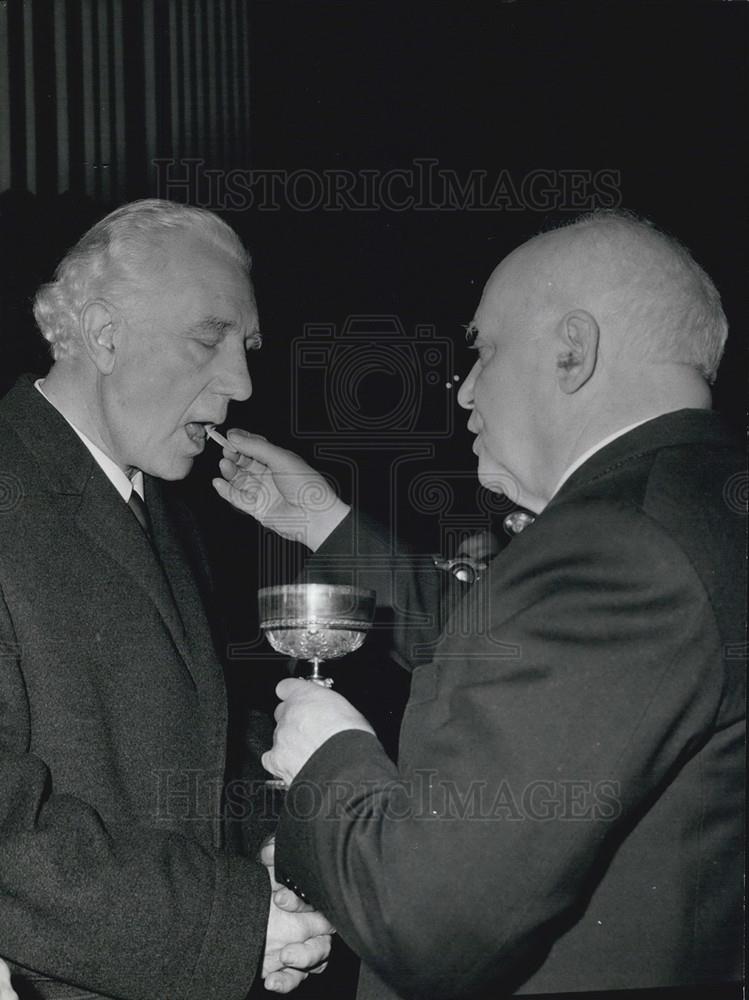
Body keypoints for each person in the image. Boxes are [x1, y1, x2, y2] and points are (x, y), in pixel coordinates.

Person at [213, 211, 745, 998]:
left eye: (484, 349)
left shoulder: (620, 545)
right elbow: (516, 647)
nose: (463, 391)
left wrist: (328, 758)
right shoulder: (694, 504)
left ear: (571, 350)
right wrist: (316, 517)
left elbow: (423, 919)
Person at [0, 200, 332, 999]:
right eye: (208, 338)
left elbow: (183, 739)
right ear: (104, 333)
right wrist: (229, 924)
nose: (242, 381)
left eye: (247, 347)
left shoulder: (156, 505)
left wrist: (273, 854)